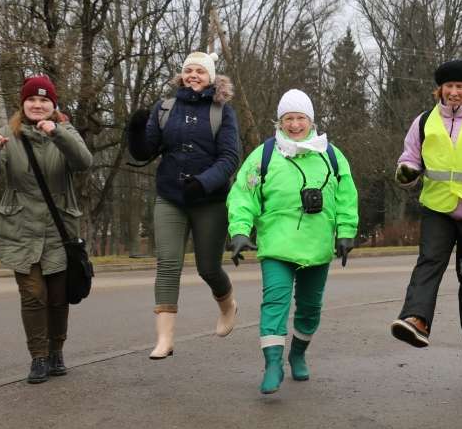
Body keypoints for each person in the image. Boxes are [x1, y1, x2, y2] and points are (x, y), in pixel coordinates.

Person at [227, 89, 358, 394]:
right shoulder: (264, 154)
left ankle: (298, 354)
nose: (295, 124)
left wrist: (346, 231)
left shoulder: (332, 155)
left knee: (310, 307)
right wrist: (240, 230)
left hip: (317, 244)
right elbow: (243, 195)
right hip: (277, 243)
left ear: (311, 120)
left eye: (300, 118)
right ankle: (272, 363)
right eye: (289, 118)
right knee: (275, 303)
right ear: (280, 121)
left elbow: (346, 198)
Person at [389, 59, 462, 363]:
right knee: (429, 262)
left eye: (460, 87)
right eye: (449, 86)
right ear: (439, 89)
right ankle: (416, 320)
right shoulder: (423, 121)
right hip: (436, 206)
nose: (454, 92)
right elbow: (411, 157)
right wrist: (407, 171)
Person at [0, 76, 93, 383]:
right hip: (20, 227)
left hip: (58, 229)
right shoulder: (8, 134)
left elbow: (83, 162)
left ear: (53, 105)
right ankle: (38, 357)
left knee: (57, 298)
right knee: (32, 296)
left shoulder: (65, 130)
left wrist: (57, 135)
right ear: (23, 104)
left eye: (44, 101)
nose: (37, 105)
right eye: (32, 100)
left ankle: (56, 353)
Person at [127, 51, 240, 359]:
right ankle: (165, 338)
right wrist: (136, 133)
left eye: (200, 72)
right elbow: (145, 151)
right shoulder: (166, 108)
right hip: (170, 198)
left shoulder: (222, 112)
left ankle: (228, 304)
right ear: (181, 75)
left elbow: (230, 158)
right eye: (189, 70)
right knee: (167, 264)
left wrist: (203, 182)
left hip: (209, 200)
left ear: (211, 78)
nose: (193, 75)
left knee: (208, 267)